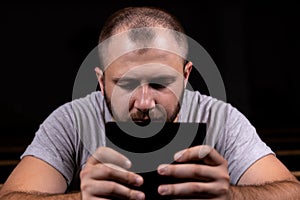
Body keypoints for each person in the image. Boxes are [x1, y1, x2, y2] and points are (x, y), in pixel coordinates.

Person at [0, 6, 299, 200]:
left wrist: (231, 196)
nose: (144, 102)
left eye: (160, 84)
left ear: (186, 76)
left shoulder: (219, 117)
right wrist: (82, 199)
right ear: (102, 82)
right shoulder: (71, 120)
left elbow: (291, 191)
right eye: (126, 84)